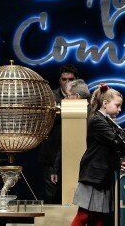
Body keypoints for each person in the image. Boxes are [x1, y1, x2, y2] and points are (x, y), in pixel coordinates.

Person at [70, 84, 125, 226]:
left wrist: (119, 161)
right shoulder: (97, 119)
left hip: (103, 175)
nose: (120, 109)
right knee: (84, 215)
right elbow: (117, 140)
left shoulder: (108, 120)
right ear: (105, 103)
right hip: (93, 175)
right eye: (117, 105)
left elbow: (117, 146)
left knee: (98, 217)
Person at [38, 64, 79, 203]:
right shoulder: (51, 97)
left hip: (74, 153)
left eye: (70, 79)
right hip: (52, 153)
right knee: (51, 195)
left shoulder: (82, 97)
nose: (67, 83)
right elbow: (45, 121)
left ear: (76, 81)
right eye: (64, 79)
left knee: (72, 195)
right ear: (59, 80)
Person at [50, 79, 91, 186]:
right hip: (70, 170)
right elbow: (64, 144)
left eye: (67, 96)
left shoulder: (94, 117)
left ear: (76, 96)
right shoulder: (71, 116)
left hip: (89, 173)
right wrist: (56, 169)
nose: (64, 99)